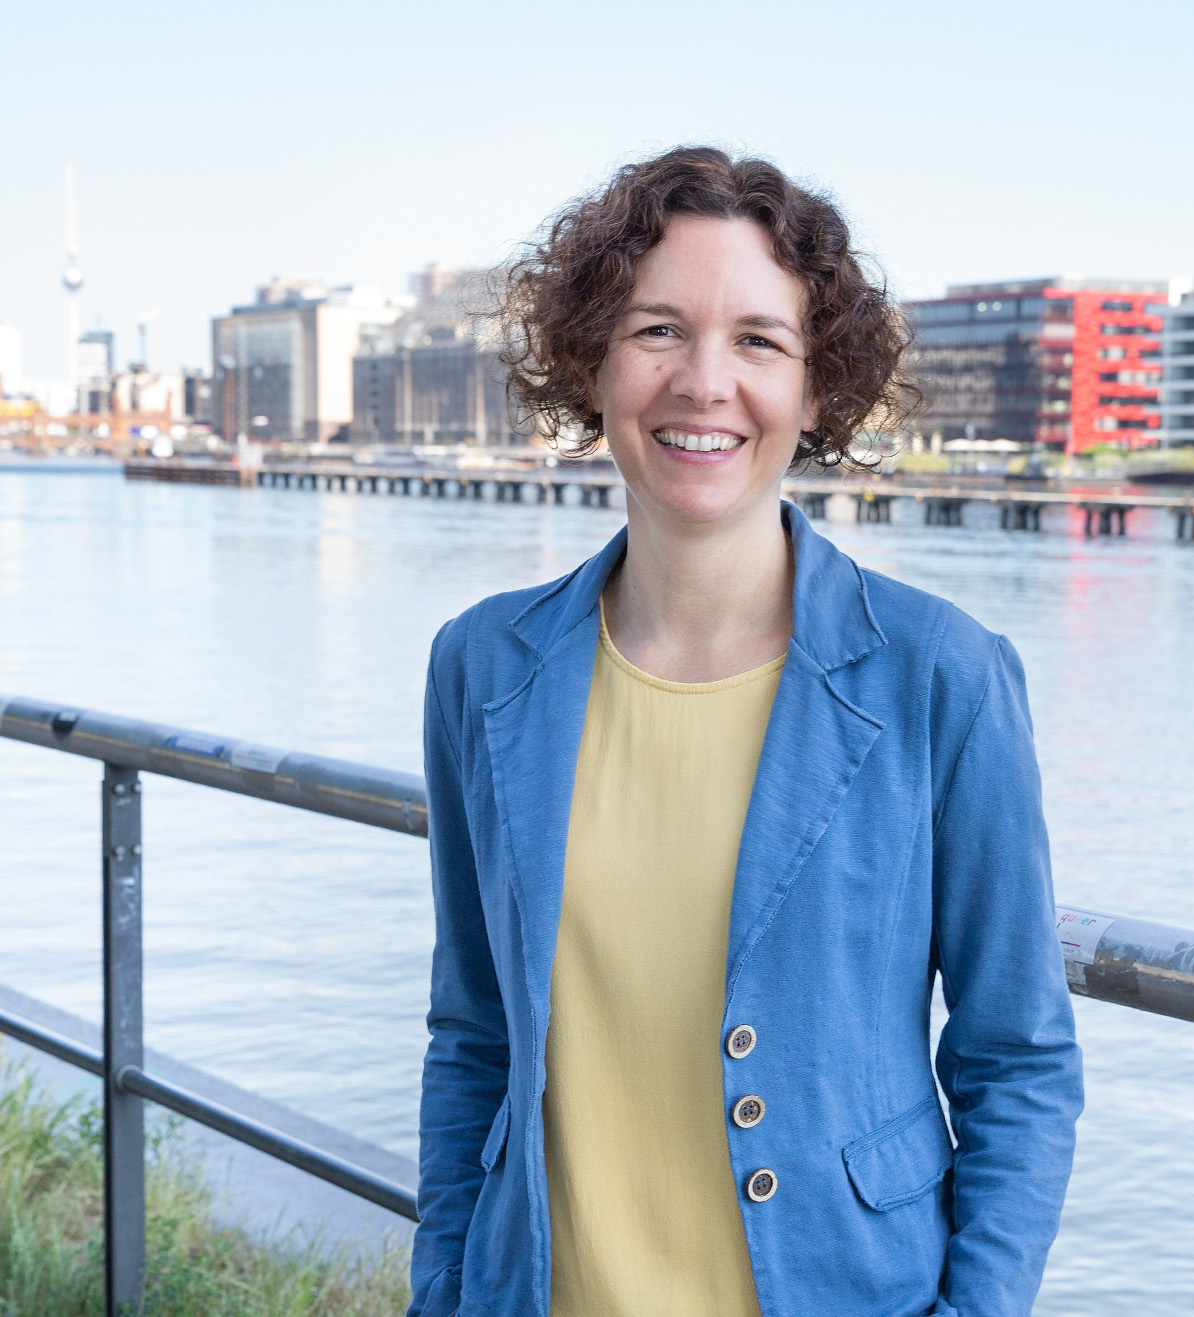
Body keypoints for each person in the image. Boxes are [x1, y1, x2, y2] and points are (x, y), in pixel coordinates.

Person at [409, 147, 1082, 1317]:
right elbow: (473, 1035)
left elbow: (1015, 1059)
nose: (703, 381)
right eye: (657, 330)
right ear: (592, 363)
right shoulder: (481, 666)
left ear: (817, 392)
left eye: (760, 341)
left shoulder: (941, 676)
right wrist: (442, 1290)